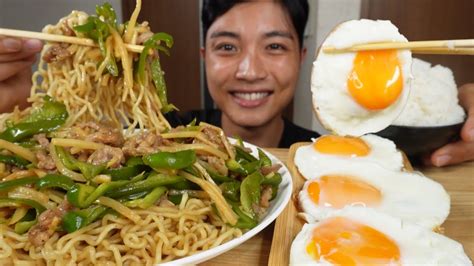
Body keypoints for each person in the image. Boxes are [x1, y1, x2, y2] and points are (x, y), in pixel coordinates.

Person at [0, 0, 473, 167]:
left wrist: (456, 123)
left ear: (303, 58)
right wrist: (19, 113)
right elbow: (74, 148)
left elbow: (413, 166)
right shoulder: (155, 135)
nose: (249, 70)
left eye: (274, 46)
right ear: (204, 57)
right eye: (227, 47)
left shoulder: (329, 153)